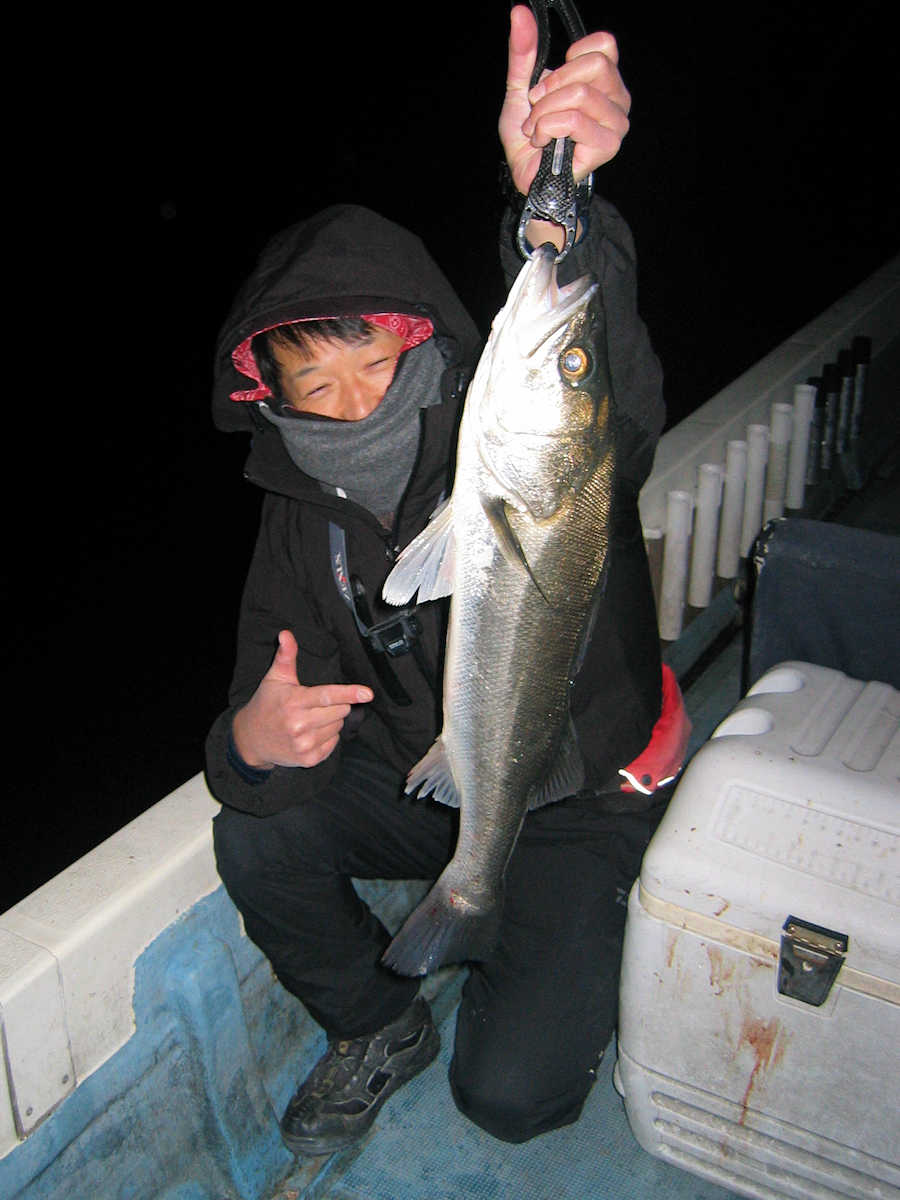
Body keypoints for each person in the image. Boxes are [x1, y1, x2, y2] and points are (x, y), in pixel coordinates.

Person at [205, 4, 688, 1154]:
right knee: (254, 829)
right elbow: (258, 712)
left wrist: (561, 216)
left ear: (421, 341)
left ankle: (560, 915)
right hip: (432, 787)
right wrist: (250, 745)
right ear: (273, 397)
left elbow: (608, 393)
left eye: (374, 364)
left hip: (567, 793)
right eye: (317, 387)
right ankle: (383, 1024)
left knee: (513, 1098)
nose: (354, 405)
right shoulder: (297, 517)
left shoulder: (532, 440)